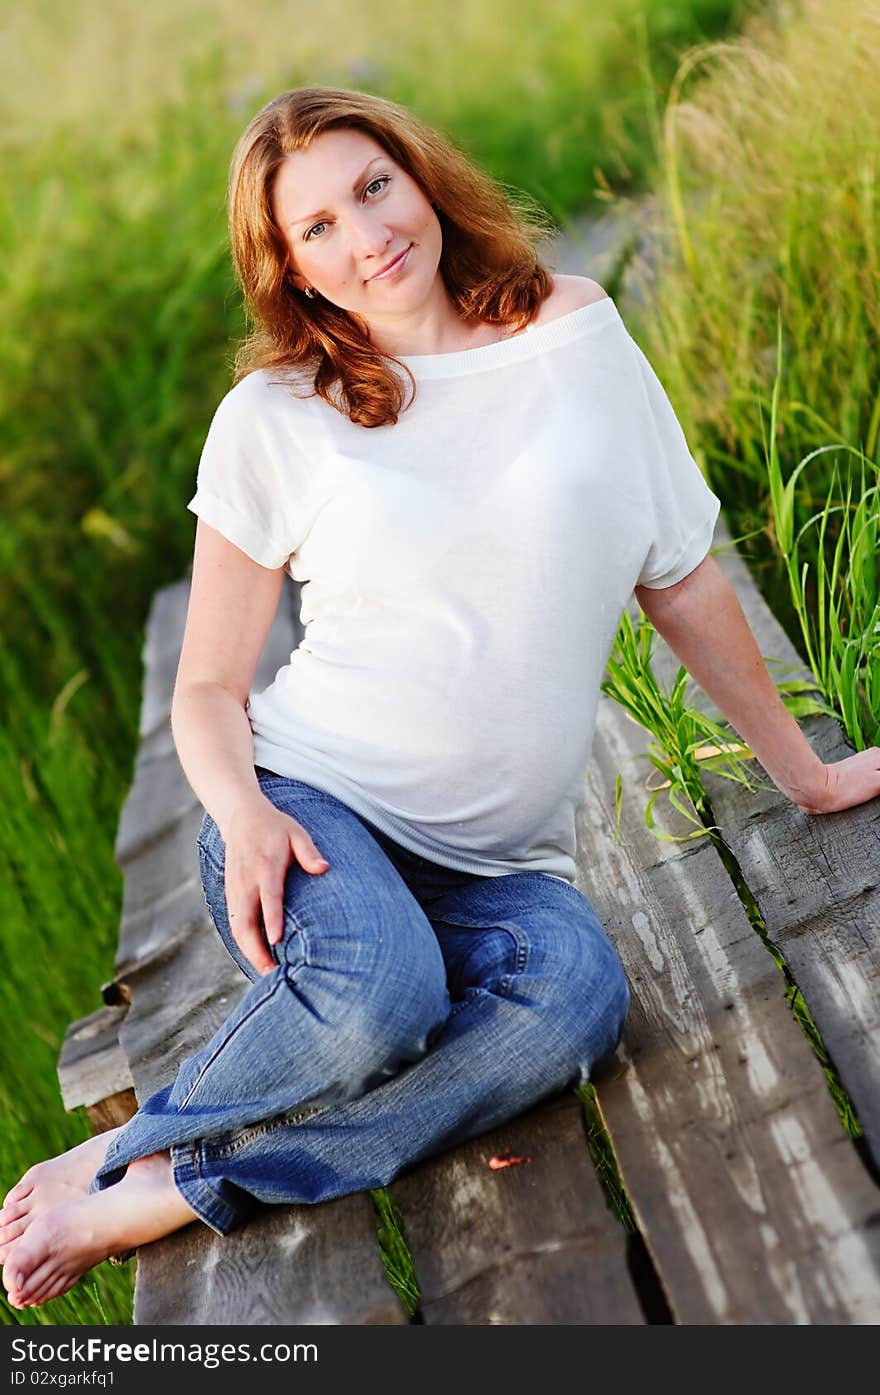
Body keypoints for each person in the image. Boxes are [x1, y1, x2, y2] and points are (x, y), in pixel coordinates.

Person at [3, 86, 879, 1314]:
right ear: (289, 271)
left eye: (372, 187)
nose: (365, 237)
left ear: (420, 178)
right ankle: (142, 1169)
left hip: (508, 869)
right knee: (380, 995)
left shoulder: (576, 332)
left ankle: (157, 1158)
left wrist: (812, 774)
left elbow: (677, 573)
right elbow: (205, 685)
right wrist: (247, 817)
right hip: (316, 806)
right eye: (315, 228)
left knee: (576, 1007)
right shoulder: (278, 416)